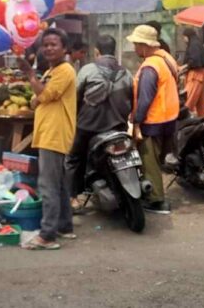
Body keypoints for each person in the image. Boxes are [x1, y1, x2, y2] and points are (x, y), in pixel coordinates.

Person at [17, 28, 76, 250]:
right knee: (59, 184)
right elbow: (36, 99)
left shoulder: (64, 70)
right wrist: (37, 90)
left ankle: (48, 235)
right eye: (46, 44)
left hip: (54, 133)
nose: (49, 48)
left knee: (48, 184)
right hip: (50, 132)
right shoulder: (52, 71)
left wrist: (31, 77)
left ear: (65, 48)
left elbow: (45, 95)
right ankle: (64, 226)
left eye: (54, 44)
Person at [67, 35, 132, 212]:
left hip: (89, 126)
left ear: (97, 51)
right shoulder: (126, 73)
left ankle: (73, 199)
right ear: (114, 50)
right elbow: (131, 100)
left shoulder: (88, 70)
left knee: (74, 159)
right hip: (118, 127)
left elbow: (75, 98)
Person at [128, 25, 180, 215]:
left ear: (144, 45)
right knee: (157, 161)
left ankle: (156, 200)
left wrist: (136, 120)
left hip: (154, 120)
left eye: (136, 44)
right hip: (169, 118)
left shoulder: (150, 66)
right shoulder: (166, 58)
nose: (134, 49)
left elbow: (145, 98)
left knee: (150, 163)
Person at [182, 27, 204, 118]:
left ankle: (182, 122)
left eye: (184, 37)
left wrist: (185, 67)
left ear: (187, 36)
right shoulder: (197, 44)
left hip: (196, 76)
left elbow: (194, 60)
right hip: (200, 75)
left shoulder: (194, 45)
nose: (183, 39)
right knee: (201, 105)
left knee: (188, 102)